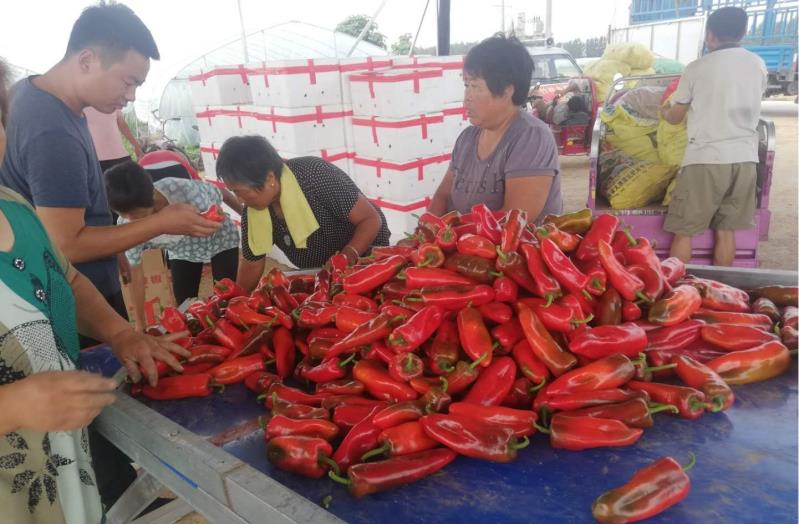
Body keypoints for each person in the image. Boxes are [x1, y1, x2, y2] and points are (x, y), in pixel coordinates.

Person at [0, 56, 188, 523]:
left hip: (64, 467)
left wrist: (121, 333)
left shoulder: (17, 209)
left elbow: (67, 279)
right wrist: (10, 407)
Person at [0, 3, 221, 342]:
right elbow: (66, 245)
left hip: (71, 286)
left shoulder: (35, 96)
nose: (130, 97)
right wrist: (161, 222)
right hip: (74, 304)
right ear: (87, 60)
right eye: (128, 82)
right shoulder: (52, 130)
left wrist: (112, 245)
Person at [215, 135, 391, 292]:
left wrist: (347, 256)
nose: (238, 200)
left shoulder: (314, 174)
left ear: (269, 178)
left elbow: (370, 219)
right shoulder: (252, 211)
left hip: (365, 255)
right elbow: (252, 263)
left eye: (239, 191)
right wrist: (234, 302)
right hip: (323, 271)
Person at [661, 6, 767, 266]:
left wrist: (665, 110)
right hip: (745, 160)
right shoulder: (758, 65)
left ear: (709, 35)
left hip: (706, 159)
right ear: (743, 32)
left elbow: (676, 117)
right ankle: (723, 294)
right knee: (726, 231)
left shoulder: (697, 68)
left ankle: (677, 294)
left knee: (684, 231)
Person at [428, 34, 563, 222]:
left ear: (508, 90)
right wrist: (424, 232)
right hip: (464, 246)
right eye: (466, 85)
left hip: (511, 250)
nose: (467, 97)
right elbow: (442, 196)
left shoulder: (532, 137)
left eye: (475, 86)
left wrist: (454, 235)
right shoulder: (467, 138)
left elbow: (514, 221)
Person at [105, 161, 241, 322]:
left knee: (224, 297)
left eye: (139, 215)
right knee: (185, 306)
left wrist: (246, 217)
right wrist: (140, 324)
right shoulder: (127, 226)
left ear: (153, 196)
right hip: (182, 251)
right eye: (127, 216)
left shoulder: (184, 191)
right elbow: (136, 275)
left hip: (221, 239)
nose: (135, 222)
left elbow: (222, 193)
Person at [85, 106, 144, 171]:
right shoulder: (82, 103)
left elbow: (122, 124)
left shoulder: (113, 100)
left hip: (120, 156)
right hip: (96, 160)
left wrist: (136, 145)